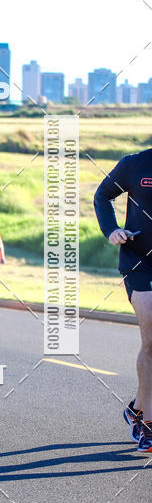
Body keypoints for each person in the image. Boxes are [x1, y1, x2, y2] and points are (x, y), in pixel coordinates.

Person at [94, 149, 152, 452]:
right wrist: (112, 230)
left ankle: (138, 408)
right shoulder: (134, 164)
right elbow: (102, 196)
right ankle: (149, 424)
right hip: (139, 262)